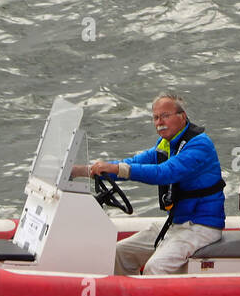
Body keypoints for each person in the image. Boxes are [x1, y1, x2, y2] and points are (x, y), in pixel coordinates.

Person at [90, 93, 226, 276]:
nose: (159, 122)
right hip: (178, 224)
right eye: (155, 117)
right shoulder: (166, 144)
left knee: (156, 267)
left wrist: (117, 169)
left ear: (182, 116)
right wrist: (88, 170)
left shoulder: (199, 145)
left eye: (165, 116)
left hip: (201, 226)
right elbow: (135, 162)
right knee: (120, 253)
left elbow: (165, 172)